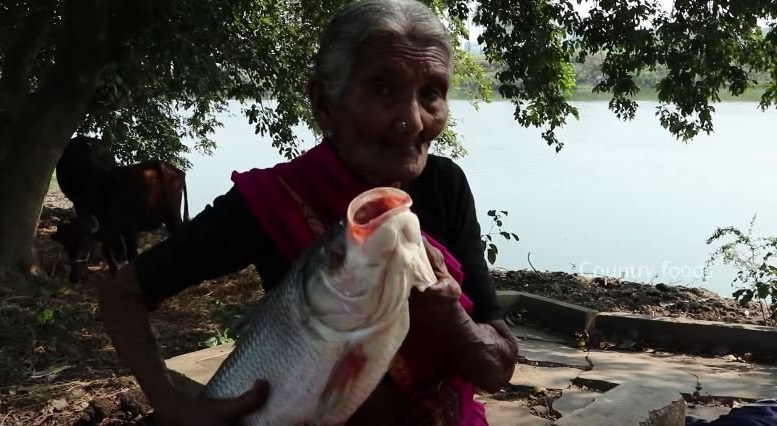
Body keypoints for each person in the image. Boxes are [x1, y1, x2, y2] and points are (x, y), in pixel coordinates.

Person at [95, 0, 519, 424]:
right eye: (382, 88)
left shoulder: (445, 185)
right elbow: (121, 294)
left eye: (431, 93)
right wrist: (172, 404)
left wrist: (449, 316)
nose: (411, 120)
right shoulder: (272, 199)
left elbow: (496, 369)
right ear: (323, 103)